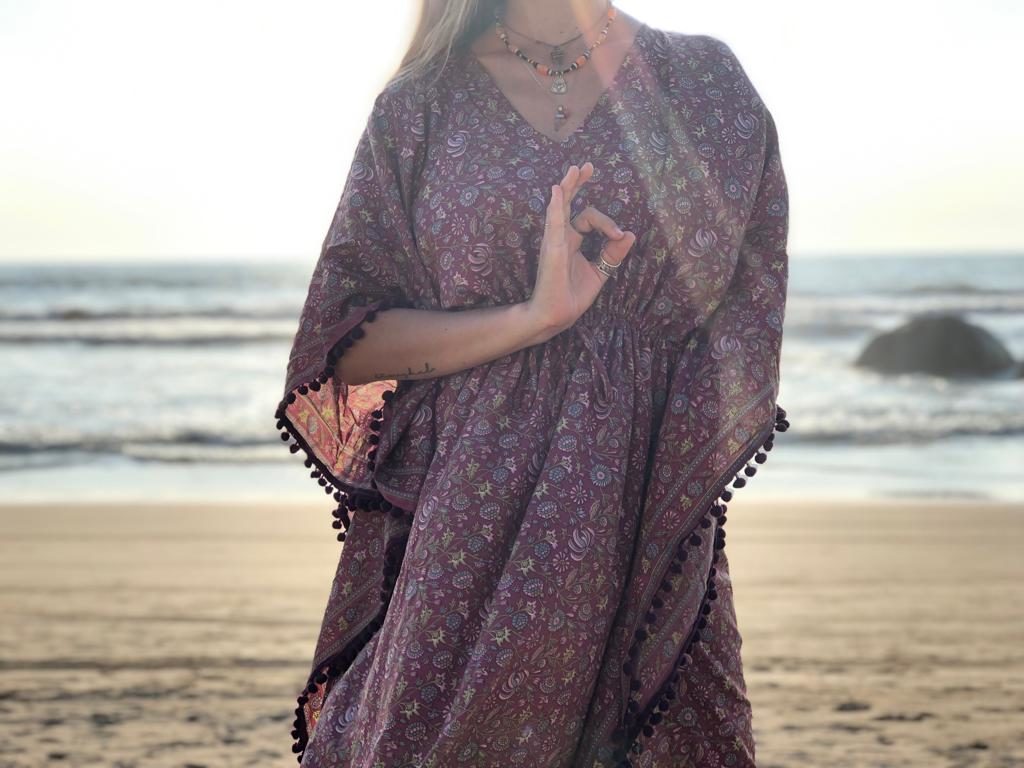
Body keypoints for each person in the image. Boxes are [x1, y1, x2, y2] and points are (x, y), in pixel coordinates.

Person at [274, 0, 790, 765]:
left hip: (649, 539)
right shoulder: (422, 104)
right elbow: (342, 339)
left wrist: (658, 497)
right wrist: (533, 317)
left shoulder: (709, 84)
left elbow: (743, 329)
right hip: (465, 537)